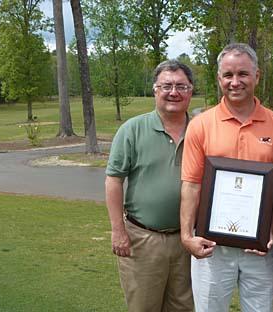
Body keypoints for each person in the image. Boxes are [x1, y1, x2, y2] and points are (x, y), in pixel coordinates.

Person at [180, 43, 273, 312]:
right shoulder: (201, 125)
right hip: (212, 247)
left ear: (257, 76)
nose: (235, 82)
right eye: (228, 75)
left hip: (261, 249)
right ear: (219, 79)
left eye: (243, 74)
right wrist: (186, 236)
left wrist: (272, 230)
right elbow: (192, 184)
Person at [105, 59, 194, 312]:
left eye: (181, 86)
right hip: (143, 239)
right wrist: (117, 230)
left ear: (191, 91)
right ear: (155, 90)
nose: (174, 92)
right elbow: (113, 180)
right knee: (144, 307)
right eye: (166, 86)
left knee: (184, 307)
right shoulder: (132, 130)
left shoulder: (201, 130)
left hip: (188, 241)